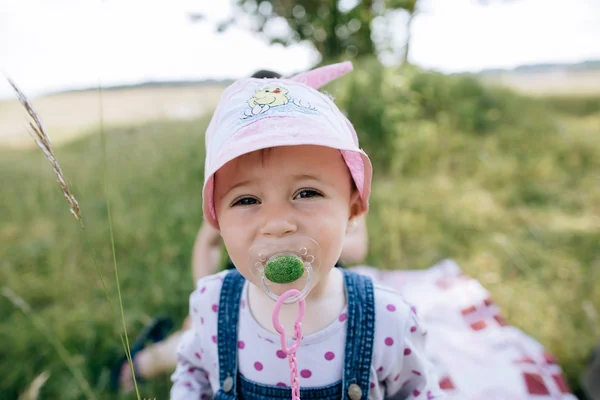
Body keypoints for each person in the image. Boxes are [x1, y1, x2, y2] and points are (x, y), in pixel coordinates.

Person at [170, 61, 445, 399]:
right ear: (216, 220)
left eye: (307, 193)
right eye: (246, 200)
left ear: (354, 209)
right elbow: (193, 373)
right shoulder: (210, 306)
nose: (277, 224)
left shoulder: (388, 321)